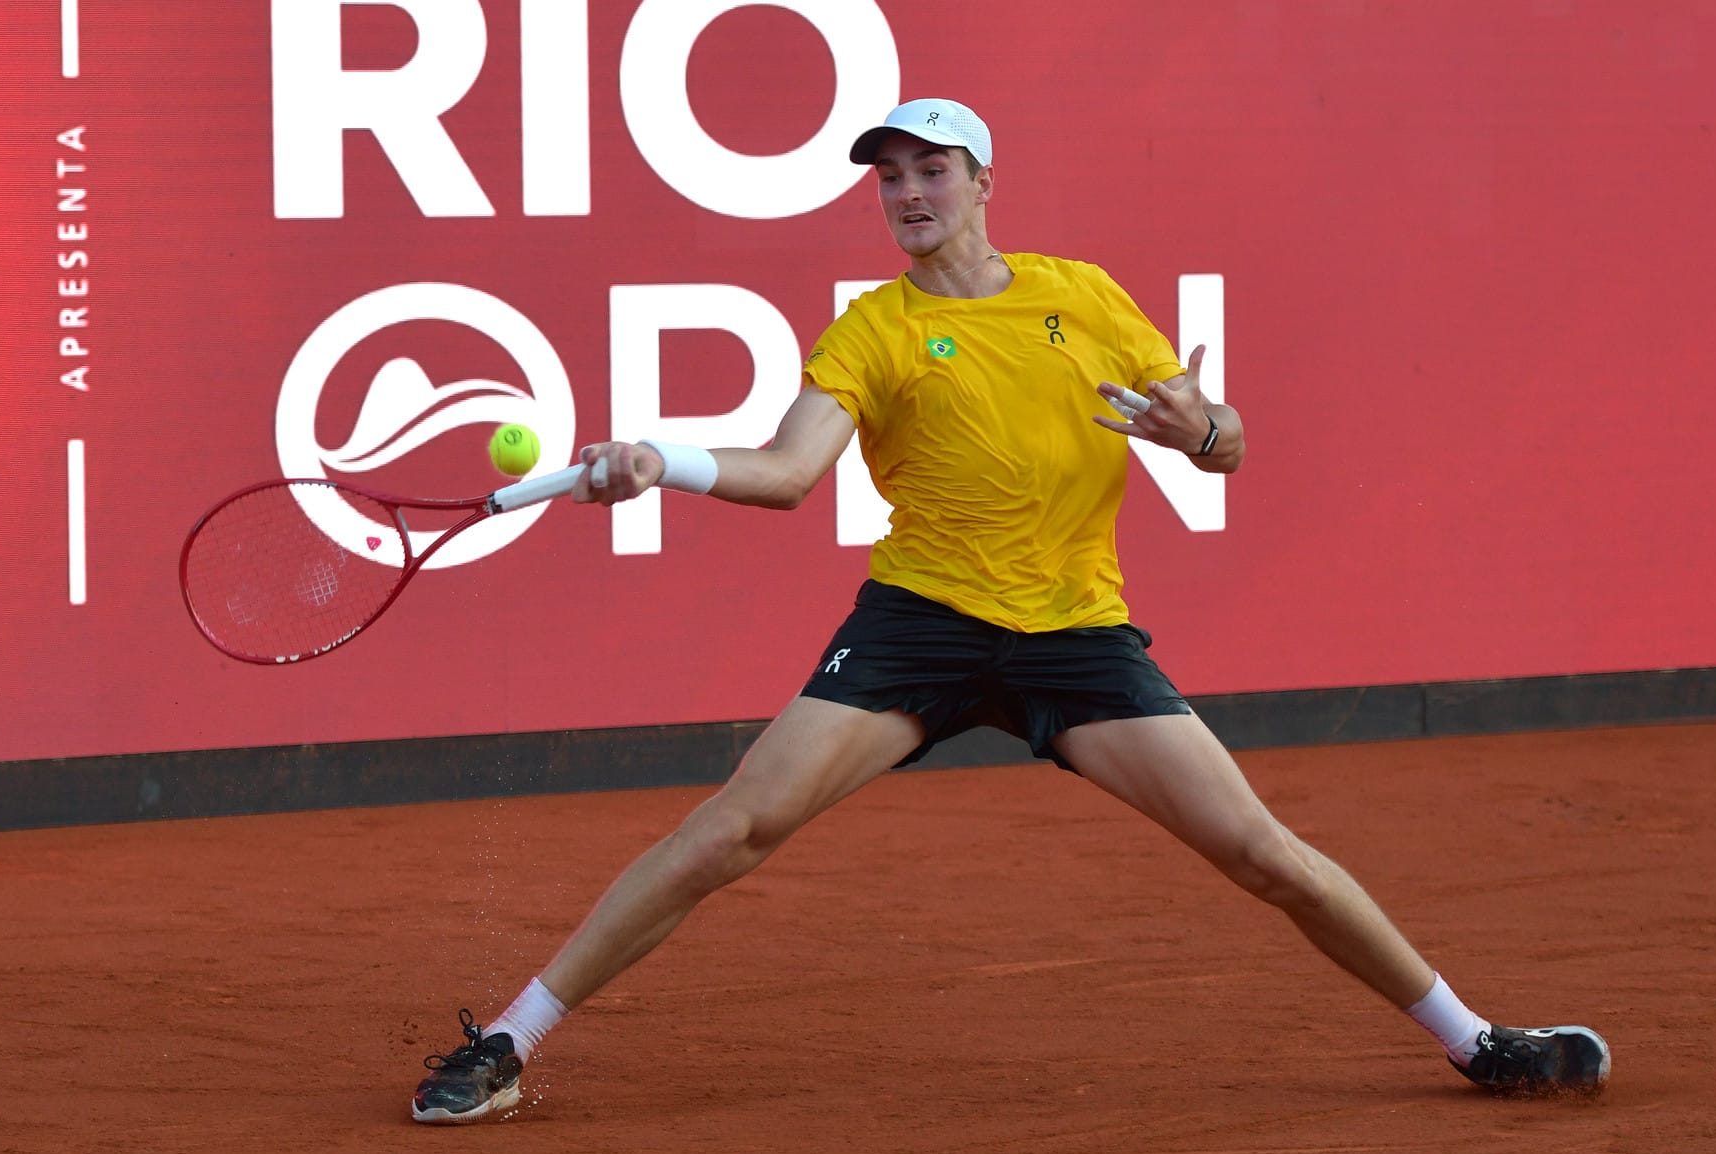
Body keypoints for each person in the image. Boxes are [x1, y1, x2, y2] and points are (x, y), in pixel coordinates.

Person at [409, 97, 1610, 1124]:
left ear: (981, 181)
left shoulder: (1082, 296)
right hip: (918, 622)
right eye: (888, 177)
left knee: (1263, 854)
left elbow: (1225, 441)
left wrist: (1188, 428)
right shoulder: (876, 328)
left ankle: (1473, 1037)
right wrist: (656, 459)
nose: (906, 192)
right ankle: (507, 1041)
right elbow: (784, 475)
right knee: (732, 828)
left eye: (930, 169)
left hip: (1074, 635)